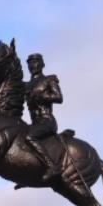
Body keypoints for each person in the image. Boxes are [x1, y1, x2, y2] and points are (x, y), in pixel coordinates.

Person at [24, 53, 63, 181]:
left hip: (47, 120)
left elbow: (59, 98)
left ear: (42, 64)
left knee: (30, 138)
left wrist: (42, 97)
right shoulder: (26, 86)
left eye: (36, 62)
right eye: (30, 64)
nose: (33, 66)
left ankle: (53, 166)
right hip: (34, 122)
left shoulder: (49, 80)